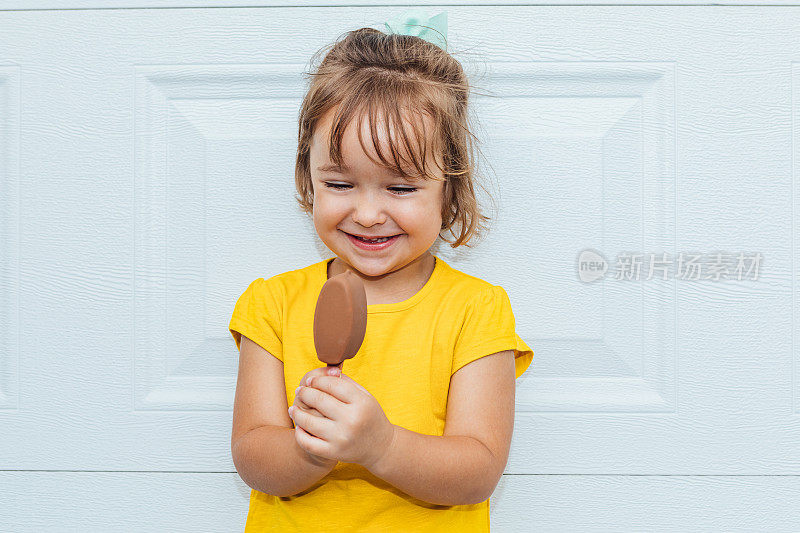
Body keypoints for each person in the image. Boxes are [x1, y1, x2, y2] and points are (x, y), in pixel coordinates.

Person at [228, 10, 533, 532]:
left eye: (400, 187)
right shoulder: (271, 304)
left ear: (450, 190)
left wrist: (380, 445)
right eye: (341, 184)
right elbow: (252, 455)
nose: (368, 214)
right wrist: (314, 450)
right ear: (309, 181)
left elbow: (478, 470)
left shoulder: (476, 310)